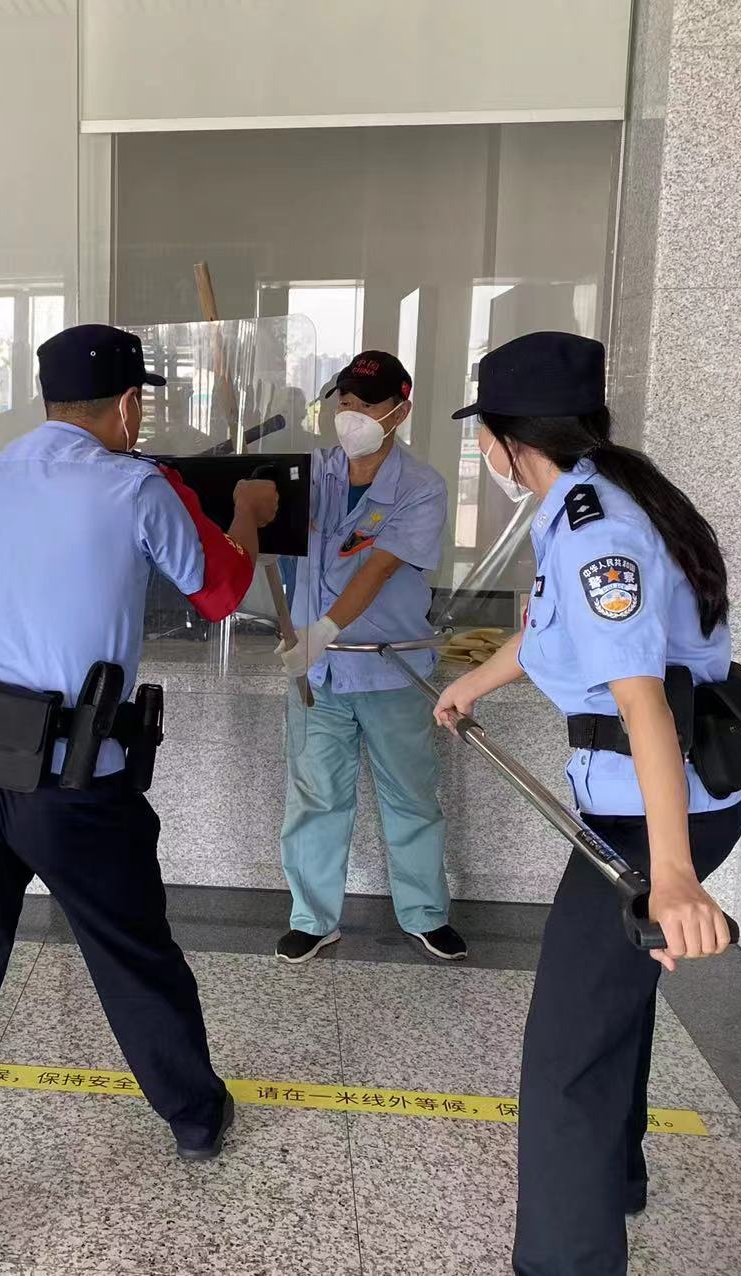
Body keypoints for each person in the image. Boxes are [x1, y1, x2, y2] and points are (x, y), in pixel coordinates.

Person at [0, 324, 280, 1276]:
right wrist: (248, 511)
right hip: (75, 784)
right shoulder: (138, 486)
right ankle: (195, 1117)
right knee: (133, 957)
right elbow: (222, 591)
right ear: (130, 405)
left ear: (46, 398)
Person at [431, 331, 741, 1275]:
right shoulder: (594, 497)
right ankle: (621, 1175)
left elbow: (643, 703)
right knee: (616, 1006)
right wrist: (472, 686)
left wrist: (671, 878)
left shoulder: (597, 528)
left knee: (564, 1060)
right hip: (652, 807)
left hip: (652, 822)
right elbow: (548, 635)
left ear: (502, 439)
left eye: (484, 435)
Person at [273, 351, 462, 964]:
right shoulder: (309, 474)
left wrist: (324, 628)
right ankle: (312, 917)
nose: (351, 413)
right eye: (345, 401)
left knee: (410, 795)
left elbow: (377, 569)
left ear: (399, 412)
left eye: (366, 404)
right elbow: (262, 527)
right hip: (317, 673)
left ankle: (425, 914)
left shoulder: (420, 487)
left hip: (390, 668)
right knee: (316, 796)